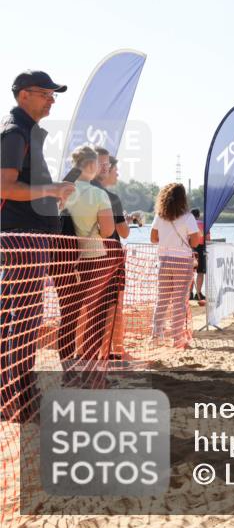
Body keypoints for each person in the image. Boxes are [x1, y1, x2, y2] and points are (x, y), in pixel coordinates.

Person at [0, 71, 75, 421]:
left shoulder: (24, 131)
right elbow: (5, 188)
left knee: (19, 317)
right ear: (23, 95)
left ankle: (17, 396)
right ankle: (22, 399)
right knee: (24, 319)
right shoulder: (15, 132)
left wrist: (51, 194)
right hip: (23, 237)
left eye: (53, 94)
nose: (52, 99)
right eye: (46, 93)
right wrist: (50, 191)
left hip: (27, 235)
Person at [57, 145, 117, 373]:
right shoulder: (98, 194)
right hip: (94, 257)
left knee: (68, 316)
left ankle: (66, 367)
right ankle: (91, 365)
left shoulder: (61, 191)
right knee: (94, 313)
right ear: (91, 166)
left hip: (64, 259)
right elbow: (108, 230)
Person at [150, 183, 202, 348]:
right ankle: (177, 338)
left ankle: (156, 335)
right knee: (179, 301)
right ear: (183, 199)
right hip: (182, 260)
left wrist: (167, 240)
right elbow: (195, 241)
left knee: (162, 299)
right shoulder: (188, 217)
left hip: (164, 259)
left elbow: (153, 238)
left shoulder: (160, 216)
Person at [92, 149, 130, 362]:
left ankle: (83, 350)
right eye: (114, 169)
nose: (116, 174)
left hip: (87, 255)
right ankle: (113, 349)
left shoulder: (79, 191)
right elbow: (123, 232)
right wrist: (124, 219)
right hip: (110, 256)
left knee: (85, 305)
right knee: (114, 305)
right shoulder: (110, 197)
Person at [189, 209, 208, 304]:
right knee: (200, 272)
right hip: (201, 248)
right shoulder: (204, 224)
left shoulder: (188, 224)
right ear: (198, 215)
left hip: (191, 247)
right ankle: (199, 293)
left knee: (190, 272)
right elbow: (208, 238)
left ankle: (189, 293)